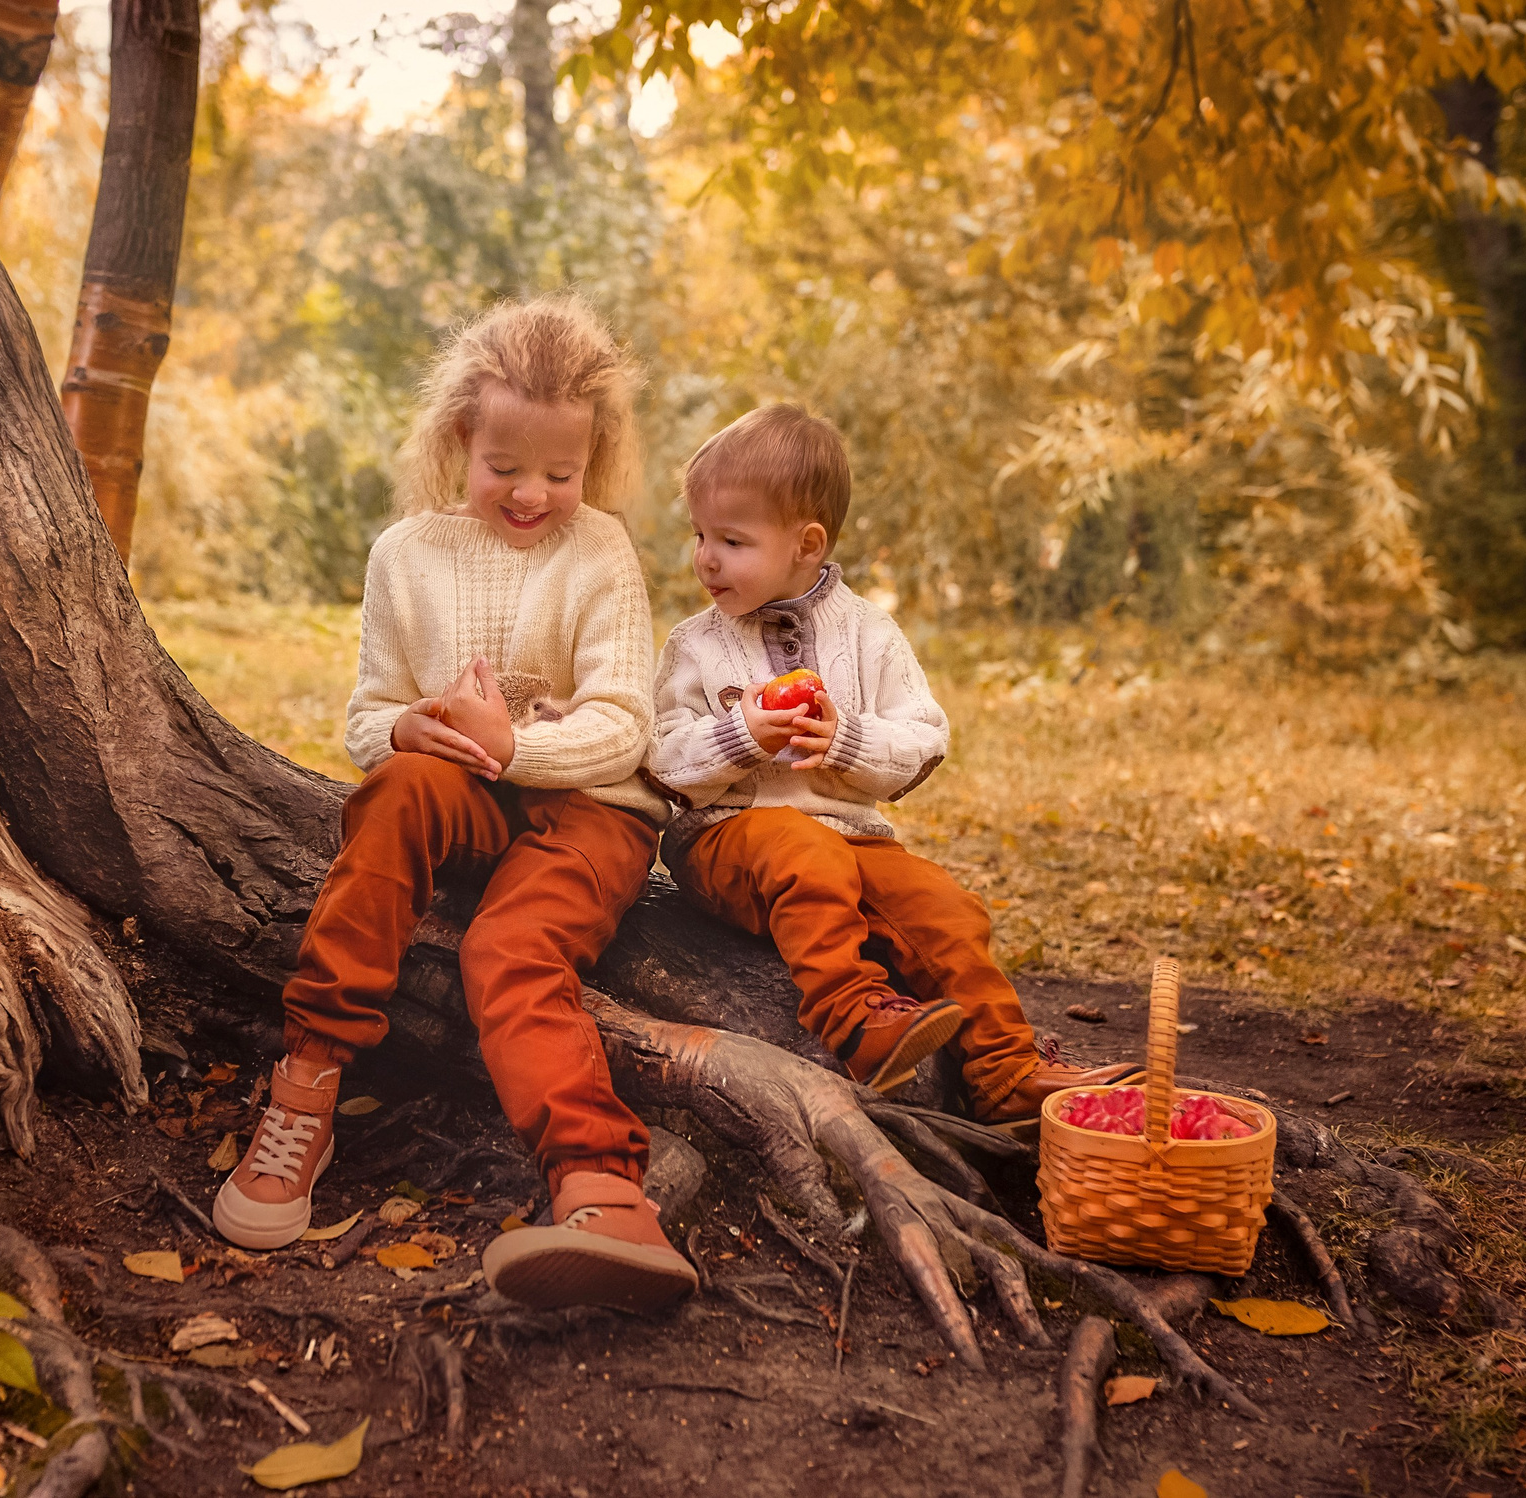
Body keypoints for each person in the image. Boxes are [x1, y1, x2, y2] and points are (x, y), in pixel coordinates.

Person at [212, 295, 697, 1312]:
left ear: (592, 463)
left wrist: (513, 741)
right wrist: (407, 732)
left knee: (507, 951)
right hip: (466, 800)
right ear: (457, 439)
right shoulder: (404, 554)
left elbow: (624, 725)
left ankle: (603, 1193)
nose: (531, 493)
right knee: (395, 790)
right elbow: (367, 712)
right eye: (503, 467)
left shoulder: (600, 549)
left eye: (559, 474)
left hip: (591, 813)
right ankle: (307, 1084)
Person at [647, 403, 1141, 1127]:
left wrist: (846, 741)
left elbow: (922, 741)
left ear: (806, 544)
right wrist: (738, 734)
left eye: (732, 539)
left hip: (852, 839)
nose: (707, 558)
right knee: (805, 853)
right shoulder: (696, 645)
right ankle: (856, 1022)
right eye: (699, 535)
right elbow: (660, 759)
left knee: (942, 907)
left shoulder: (868, 633)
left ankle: (1005, 1069)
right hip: (730, 838)